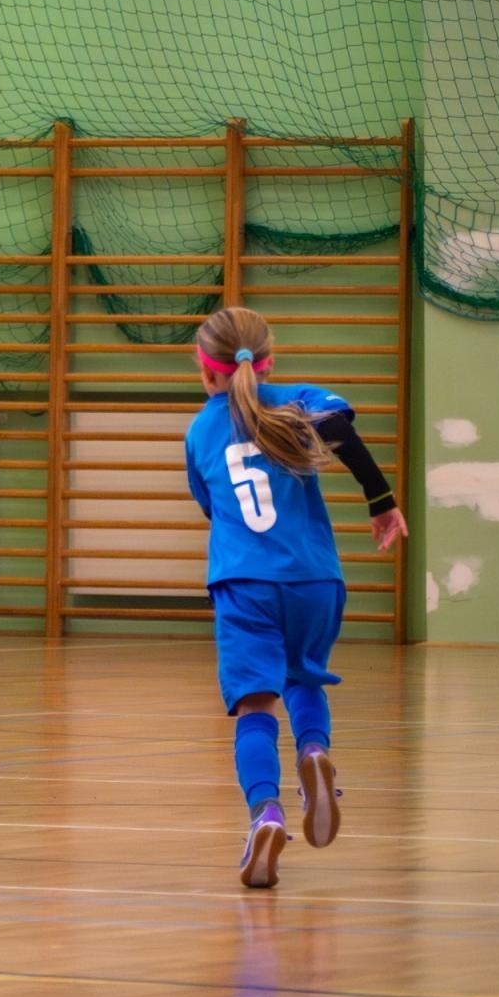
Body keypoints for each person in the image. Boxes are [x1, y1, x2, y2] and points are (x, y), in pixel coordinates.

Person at [184, 306, 407, 889]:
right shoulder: (297, 401)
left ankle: (267, 813)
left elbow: (211, 506)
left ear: (205, 373)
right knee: (304, 679)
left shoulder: (201, 431)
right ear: (269, 360)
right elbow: (342, 432)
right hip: (315, 579)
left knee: (256, 709)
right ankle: (314, 754)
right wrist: (381, 499)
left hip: (245, 582)